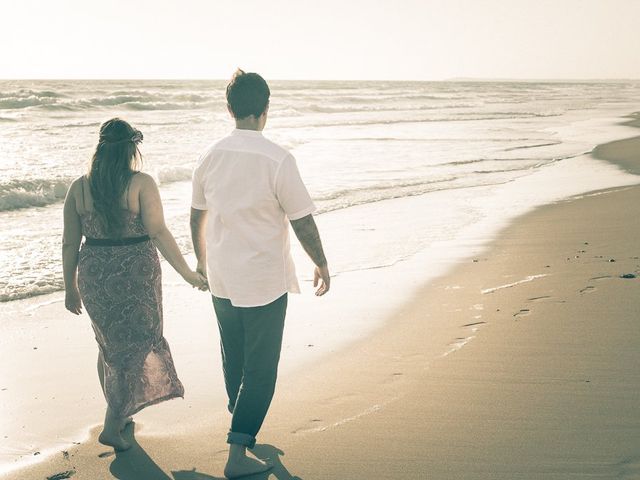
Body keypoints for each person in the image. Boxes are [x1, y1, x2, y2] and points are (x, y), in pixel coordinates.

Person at [190, 69, 330, 478]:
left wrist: (201, 260)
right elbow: (302, 220)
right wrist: (320, 261)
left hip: (222, 277)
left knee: (233, 357)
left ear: (229, 108)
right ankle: (237, 454)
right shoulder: (278, 158)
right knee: (262, 367)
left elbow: (197, 214)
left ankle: (242, 421)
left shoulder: (210, 155)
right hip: (264, 280)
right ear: (265, 109)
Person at [62, 118, 207, 451]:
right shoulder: (141, 183)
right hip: (137, 273)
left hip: (95, 273)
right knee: (139, 344)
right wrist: (187, 273)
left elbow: (70, 243)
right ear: (132, 149)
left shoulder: (79, 188)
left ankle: (120, 413)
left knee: (109, 347)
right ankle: (113, 424)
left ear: (99, 149)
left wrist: (70, 287)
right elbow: (157, 232)